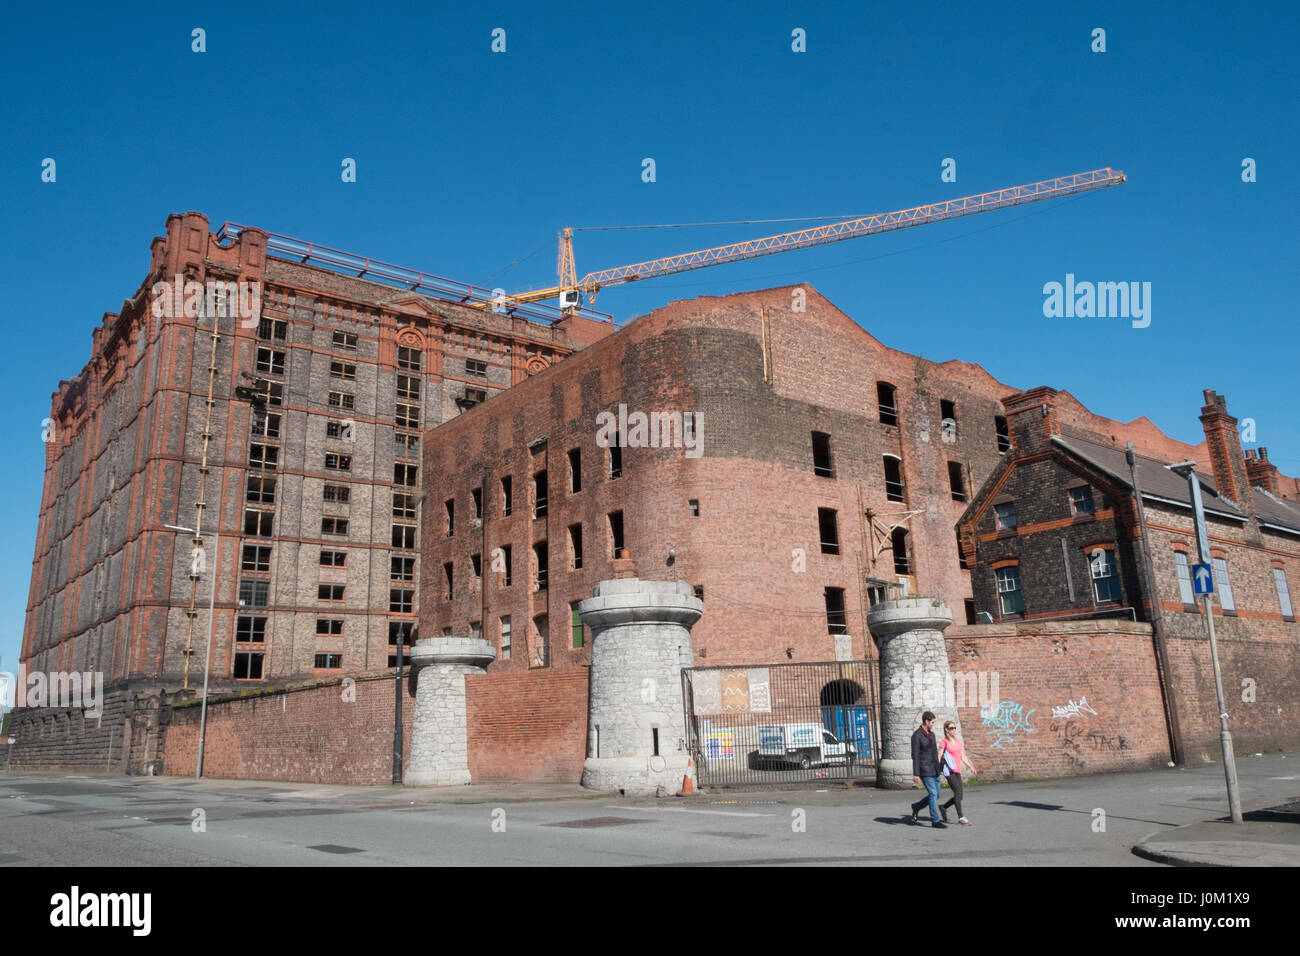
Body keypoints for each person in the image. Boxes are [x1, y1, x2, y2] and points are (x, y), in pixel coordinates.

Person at [909, 711, 944, 828]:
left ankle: (916, 807)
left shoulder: (932, 735)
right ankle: (935, 820)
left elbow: (934, 753)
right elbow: (915, 755)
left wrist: (939, 767)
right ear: (926, 721)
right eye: (932, 722)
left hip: (935, 769)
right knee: (933, 793)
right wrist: (916, 773)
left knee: (937, 794)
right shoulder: (917, 736)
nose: (933, 724)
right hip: (924, 769)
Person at [938, 720, 977, 825]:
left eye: (954, 728)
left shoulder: (958, 742)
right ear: (946, 730)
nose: (953, 730)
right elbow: (939, 755)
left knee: (960, 796)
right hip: (949, 771)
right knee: (957, 793)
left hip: (957, 770)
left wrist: (971, 767)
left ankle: (943, 807)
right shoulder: (944, 742)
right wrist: (936, 768)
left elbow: (963, 757)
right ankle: (961, 817)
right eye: (951, 728)